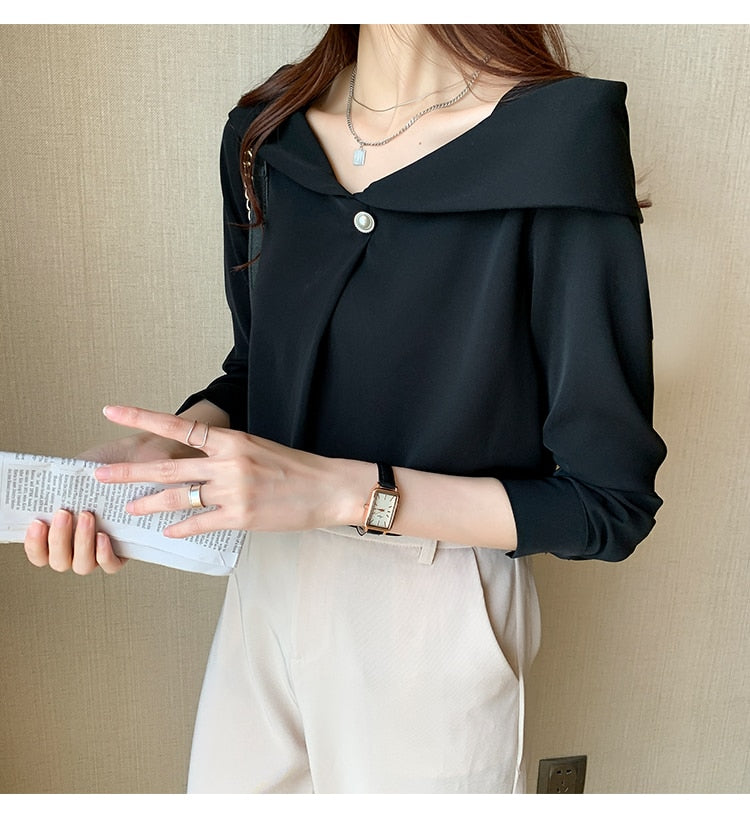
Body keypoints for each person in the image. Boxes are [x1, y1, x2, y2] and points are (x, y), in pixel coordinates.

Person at [23, 24, 667, 793]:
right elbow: (258, 372)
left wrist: (346, 494)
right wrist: (164, 455)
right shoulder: (267, 132)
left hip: (432, 604)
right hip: (267, 577)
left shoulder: (559, 137)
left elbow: (607, 504)